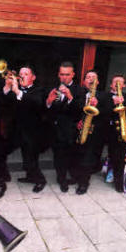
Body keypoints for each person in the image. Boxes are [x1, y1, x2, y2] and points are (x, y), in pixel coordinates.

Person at [2, 64, 47, 193]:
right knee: (6, 151)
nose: (22, 76)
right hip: (17, 130)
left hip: (33, 131)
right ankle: (29, 176)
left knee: (31, 158)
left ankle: (40, 180)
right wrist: (7, 86)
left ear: (33, 77)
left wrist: (17, 91)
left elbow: (37, 103)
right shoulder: (15, 90)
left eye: (26, 74)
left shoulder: (39, 90)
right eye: (20, 74)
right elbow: (4, 102)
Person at [46, 61, 86, 192]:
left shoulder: (79, 90)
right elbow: (46, 110)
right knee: (58, 157)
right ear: (58, 74)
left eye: (67, 74)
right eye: (62, 74)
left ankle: (75, 178)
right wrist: (49, 102)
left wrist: (69, 96)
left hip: (71, 130)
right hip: (56, 130)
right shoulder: (52, 88)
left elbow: (80, 109)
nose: (64, 77)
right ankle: (61, 180)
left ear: (73, 74)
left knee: (73, 158)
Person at [71, 70, 110, 194]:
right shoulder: (78, 94)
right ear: (84, 81)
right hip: (78, 131)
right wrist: (76, 122)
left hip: (94, 134)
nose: (91, 79)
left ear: (97, 82)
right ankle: (76, 177)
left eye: (94, 77)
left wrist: (97, 106)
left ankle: (84, 183)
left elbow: (108, 114)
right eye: (88, 77)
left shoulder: (104, 96)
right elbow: (71, 112)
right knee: (76, 156)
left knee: (87, 159)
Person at [104, 74, 126, 193]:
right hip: (105, 128)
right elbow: (101, 112)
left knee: (119, 157)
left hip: (119, 130)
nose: (117, 84)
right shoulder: (104, 95)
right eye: (114, 82)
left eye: (120, 82)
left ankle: (118, 183)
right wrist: (113, 103)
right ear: (111, 84)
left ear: (124, 85)